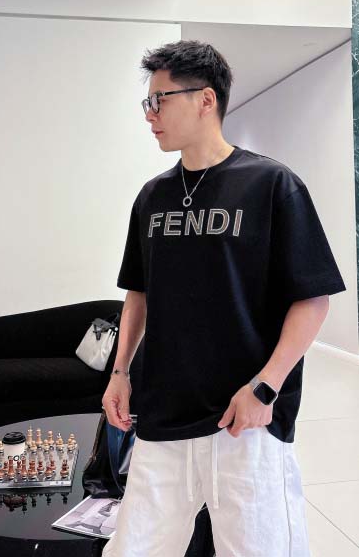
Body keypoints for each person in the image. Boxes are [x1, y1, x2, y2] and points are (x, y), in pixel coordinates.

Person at [101, 39, 346, 557]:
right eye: (148, 102)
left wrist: (265, 388)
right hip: (163, 415)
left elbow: (313, 299)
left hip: (244, 421)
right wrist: (120, 373)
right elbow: (138, 292)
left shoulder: (271, 184)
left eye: (160, 100)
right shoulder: (152, 197)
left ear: (206, 100)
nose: (150, 114)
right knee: (133, 550)